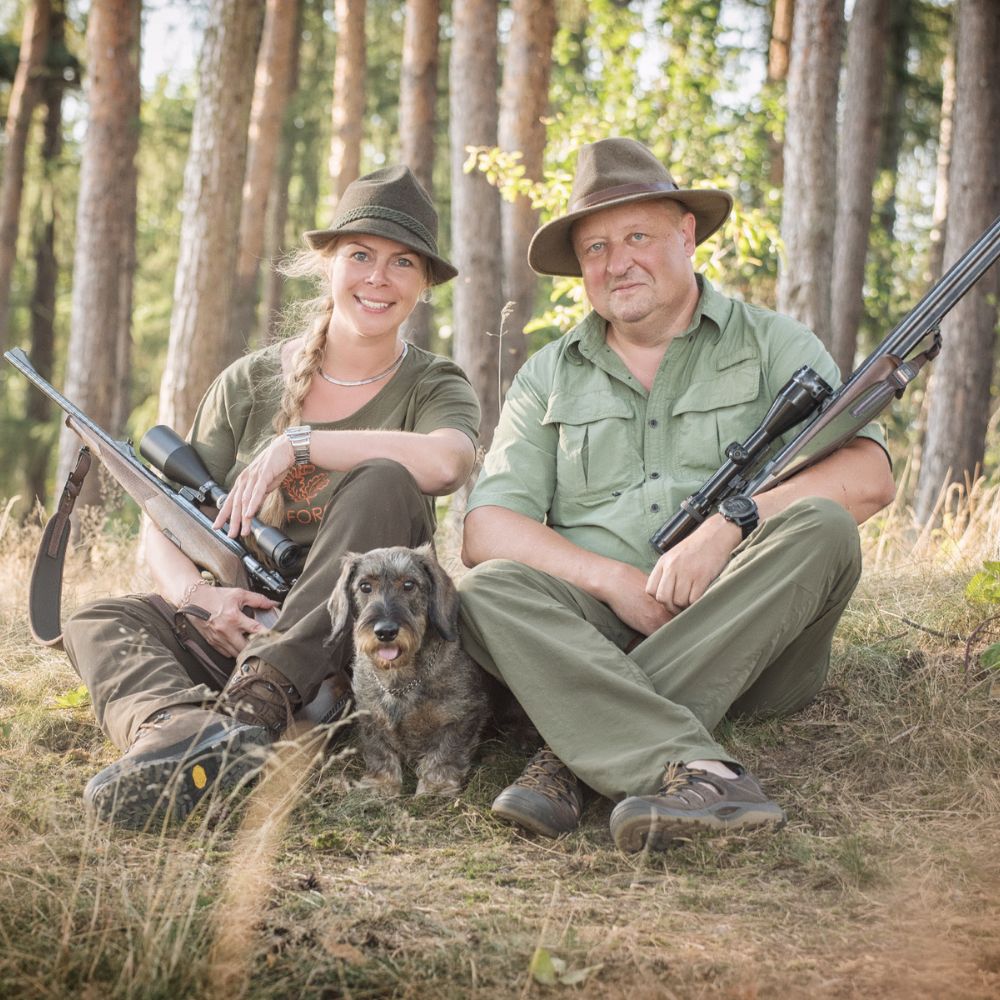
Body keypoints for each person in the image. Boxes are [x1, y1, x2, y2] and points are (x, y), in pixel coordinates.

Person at [457, 137, 896, 852]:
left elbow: (870, 477)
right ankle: (701, 774)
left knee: (823, 525)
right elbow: (487, 529)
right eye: (595, 247)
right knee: (489, 593)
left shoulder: (773, 343)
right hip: (594, 631)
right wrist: (615, 581)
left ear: (686, 234)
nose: (616, 261)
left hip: (750, 641)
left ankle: (576, 750)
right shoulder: (549, 373)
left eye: (637, 235)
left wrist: (731, 524)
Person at [63, 165, 481, 827]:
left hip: (361, 647)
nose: (378, 277)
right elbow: (169, 516)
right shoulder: (249, 381)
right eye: (360, 256)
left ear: (424, 284)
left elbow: (447, 461)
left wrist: (302, 444)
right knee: (96, 619)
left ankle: (256, 707)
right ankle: (182, 741)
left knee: (384, 477)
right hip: (244, 623)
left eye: (403, 262)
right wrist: (200, 599)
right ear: (328, 265)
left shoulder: (434, 383)